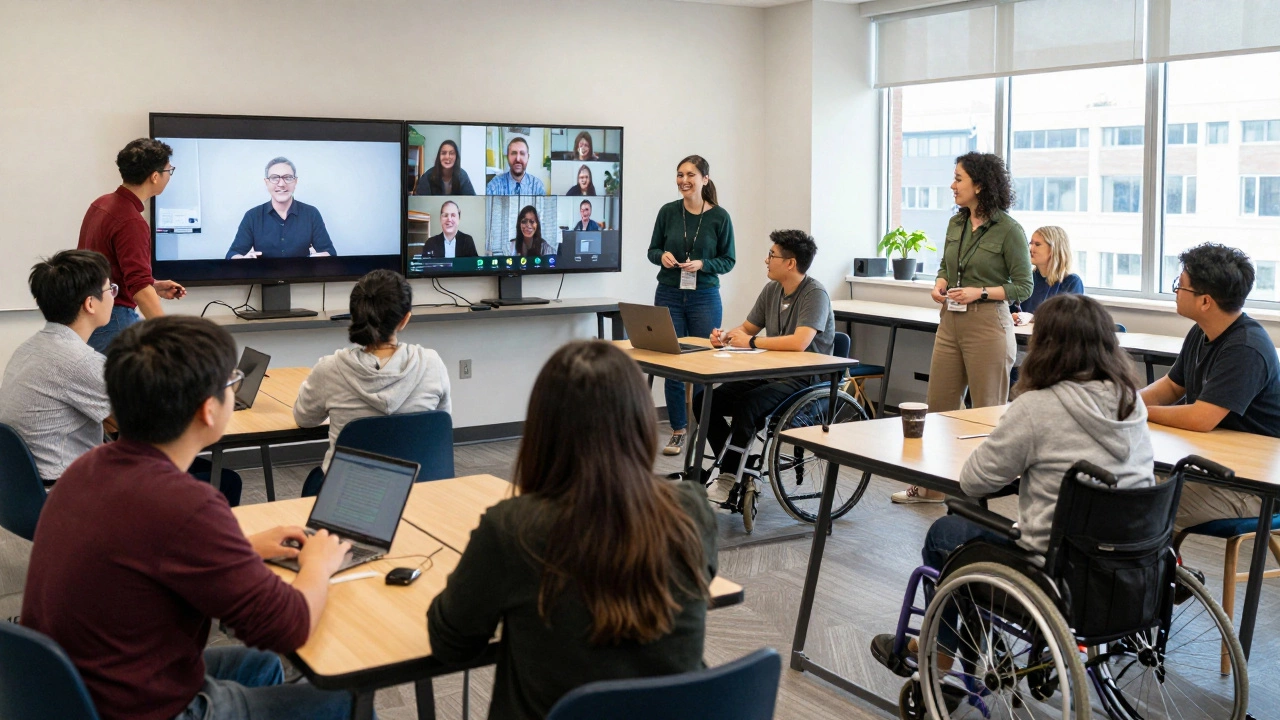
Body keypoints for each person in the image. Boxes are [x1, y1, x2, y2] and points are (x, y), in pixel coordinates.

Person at [21, 316, 355, 720]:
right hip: (141, 709)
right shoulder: (185, 505)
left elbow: (144, 555)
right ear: (208, 410)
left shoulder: (86, 469)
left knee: (261, 666)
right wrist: (319, 563)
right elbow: (287, 627)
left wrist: (244, 548)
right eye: (231, 383)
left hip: (72, 692)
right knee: (346, 703)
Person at [427, 340, 716, 720]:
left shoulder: (512, 529)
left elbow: (452, 645)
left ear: (544, 430)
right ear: (643, 423)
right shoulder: (692, 508)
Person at [871, 293, 1154, 675]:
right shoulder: (1130, 401)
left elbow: (973, 482)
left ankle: (940, 649)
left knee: (946, 531)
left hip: (1055, 570)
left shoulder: (1037, 407)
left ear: (1044, 346)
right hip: (1130, 563)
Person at [0, 250, 242, 504]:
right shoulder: (79, 361)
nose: (115, 297)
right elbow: (154, 424)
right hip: (65, 494)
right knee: (224, 481)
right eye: (111, 289)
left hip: (24, 491)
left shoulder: (32, 347)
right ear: (90, 304)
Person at [894, 152, 1033, 504]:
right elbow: (945, 264)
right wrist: (940, 282)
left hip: (988, 325)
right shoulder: (956, 224)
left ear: (980, 185)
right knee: (940, 408)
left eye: (959, 179)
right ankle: (932, 488)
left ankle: (978, 493)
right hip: (950, 323)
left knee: (985, 414)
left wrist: (980, 292)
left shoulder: (1009, 230)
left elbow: (1023, 287)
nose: (952, 185)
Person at [1139, 243, 1280, 530]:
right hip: (1211, 465)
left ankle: (1154, 570)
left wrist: (1138, 412)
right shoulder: (1201, 330)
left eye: (1181, 285)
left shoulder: (1246, 347)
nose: (1176, 291)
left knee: (1138, 501)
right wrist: (1127, 402)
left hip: (1250, 486)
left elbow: (1201, 418)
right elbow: (1171, 386)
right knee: (1122, 482)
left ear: (1205, 301)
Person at [697, 230, 833, 500]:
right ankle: (740, 468)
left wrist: (752, 342)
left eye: (772, 255)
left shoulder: (815, 293)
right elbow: (748, 329)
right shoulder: (772, 289)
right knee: (704, 400)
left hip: (806, 379)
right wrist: (726, 337)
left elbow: (800, 342)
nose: (766, 260)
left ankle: (729, 473)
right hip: (772, 373)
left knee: (749, 404)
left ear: (790, 263)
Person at [295, 269, 451, 497]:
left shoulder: (329, 369)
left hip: (344, 497)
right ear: (405, 318)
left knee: (314, 480)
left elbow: (304, 418)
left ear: (355, 315)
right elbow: (441, 425)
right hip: (417, 492)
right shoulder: (432, 363)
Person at [647, 155, 736, 457]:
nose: (684, 180)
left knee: (701, 366)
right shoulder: (668, 212)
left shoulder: (720, 217)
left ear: (705, 180)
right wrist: (662, 257)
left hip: (704, 297)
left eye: (691, 175)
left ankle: (703, 429)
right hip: (669, 293)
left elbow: (729, 260)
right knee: (672, 363)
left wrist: (704, 264)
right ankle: (678, 431)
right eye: (680, 174)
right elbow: (652, 250)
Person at [78, 138, 187, 353]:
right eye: (169, 170)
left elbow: (109, 267)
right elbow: (138, 288)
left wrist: (152, 284)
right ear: (155, 177)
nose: (169, 176)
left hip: (92, 316)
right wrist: (171, 335)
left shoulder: (102, 203)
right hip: (114, 321)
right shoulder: (132, 222)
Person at [225, 157, 338, 259]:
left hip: (302, 279)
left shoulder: (311, 213)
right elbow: (232, 254)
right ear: (266, 182)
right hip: (264, 279)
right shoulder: (252, 216)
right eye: (274, 178)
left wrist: (320, 257)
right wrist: (242, 260)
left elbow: (329, 252)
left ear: (295, 181)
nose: (281, 184)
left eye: (288, 178)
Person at [1011, 226, 1083, 325]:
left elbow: (1070, 321)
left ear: (1054, 249)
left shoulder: (1071, 282)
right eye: (1031, 243)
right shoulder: (1026, 279)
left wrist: (1032, 318)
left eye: (1037, 244)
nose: (1031, 248)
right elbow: (1011, 309)